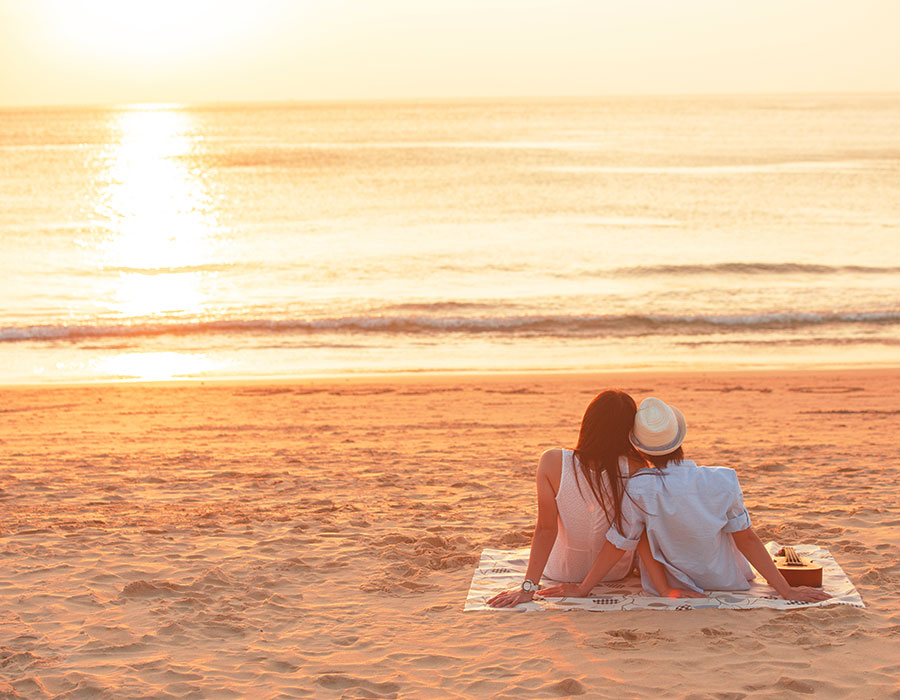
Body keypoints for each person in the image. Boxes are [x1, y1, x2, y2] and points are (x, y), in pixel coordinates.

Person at [538, 398, 831, 603]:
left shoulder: (639, 485)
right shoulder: (723, 478)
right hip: (725, 579)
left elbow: (619, 541)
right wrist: (784, 590)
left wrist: (583, 588)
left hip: (648, 581)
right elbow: (747, 540)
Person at [487, 390, 700, 608]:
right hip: (614, 573)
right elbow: (639, 533)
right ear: (629, 431)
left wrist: (528, 588)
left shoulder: (551, 462)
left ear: (587, 423)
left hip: (561, 571)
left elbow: (545, 530)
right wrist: (664, 588)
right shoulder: (636, 467)